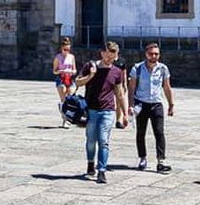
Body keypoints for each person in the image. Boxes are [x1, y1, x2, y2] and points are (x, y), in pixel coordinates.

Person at [75, 41, 128, 184]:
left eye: (113, 57)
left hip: (108, 110)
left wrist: (124, 113)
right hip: (91, 110)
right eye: (108, 56)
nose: (110, 59)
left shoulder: (117, 72)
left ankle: (102, 170)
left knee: (104, 141)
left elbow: (119, 93)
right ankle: (90, 163)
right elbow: (78, 82)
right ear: (102, 53)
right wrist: (91, 76)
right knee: (91, 140)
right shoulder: (90, 66)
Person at [128, 43, 174, 173]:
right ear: (146, 54)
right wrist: (130, 105)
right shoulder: (137, 68)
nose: (154, 56)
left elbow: (166, 87)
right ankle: (142, 157)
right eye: (151, 54)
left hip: (156, 104)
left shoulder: (163, 69)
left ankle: (161, 160)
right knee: (141, 132)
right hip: (141, 103)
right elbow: (131, 88)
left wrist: (171, 104)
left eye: (156, 54)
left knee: (159, 132)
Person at [52, 38, 77, 126]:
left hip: (70, 78)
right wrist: (60, 71)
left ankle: (69, 118)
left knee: (70, 98)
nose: (66, 51)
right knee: (63, 97)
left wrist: (72, 72)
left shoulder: (72, 57)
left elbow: (74, 69)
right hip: (61, 78)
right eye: (65, 49)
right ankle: (65, 119)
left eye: (68, 49)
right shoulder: (58, 57)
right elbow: (54, 71)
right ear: (61, 49)